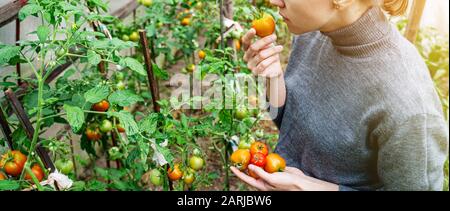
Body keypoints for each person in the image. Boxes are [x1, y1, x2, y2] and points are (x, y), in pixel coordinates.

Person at [230, 0, 449, 191]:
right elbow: (293, 125)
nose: (274, 1)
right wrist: (273, 77)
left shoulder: (408, 105)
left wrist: (309, 187)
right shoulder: (314, 32)